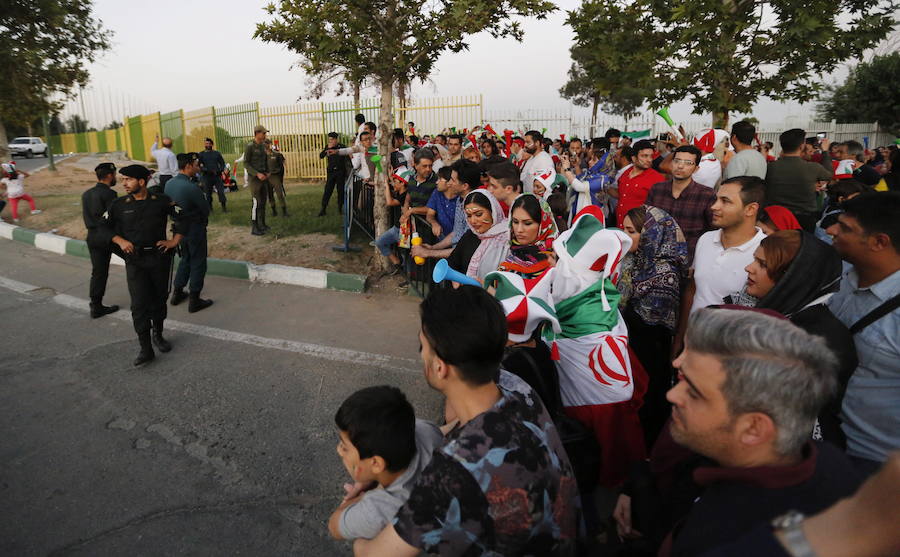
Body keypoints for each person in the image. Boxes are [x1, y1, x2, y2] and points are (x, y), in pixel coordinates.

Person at [354, 286, 578, 556]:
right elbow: (459, 427)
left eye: (422, 346)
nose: (421, 354)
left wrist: (357, 509)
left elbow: (372, 553)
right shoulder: (517, 388)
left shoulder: (454, 470)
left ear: (439, 367)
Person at [645, 308, 862, 557]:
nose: (672, 395)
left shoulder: (732, 538)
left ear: (753, 428)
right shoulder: (822, 462)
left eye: (693, 392)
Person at [549, 208, 647, 487]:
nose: (554, 267)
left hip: (601, 426)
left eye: (559, 261)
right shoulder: (597, 302)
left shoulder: (592, 320)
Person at [735, 230, 856, 447]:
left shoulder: (818, 341)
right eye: (754, 259)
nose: (749, 268)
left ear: (793, 278)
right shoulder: (761, 312)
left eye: (762, 264)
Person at [826, 192, 900, 475]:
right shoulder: (843, 275)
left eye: (845, 228)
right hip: (827, 439)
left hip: (874, 463)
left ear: (879, 242)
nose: (831, 230)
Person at [328, 386, 442, 542]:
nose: (339, 450)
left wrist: (359, 498)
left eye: (345, 447)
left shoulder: (379, 511)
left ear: (376, 464)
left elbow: (334, 526)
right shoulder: (427, 431)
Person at [101, 165, 186, 366]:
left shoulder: (161, 201)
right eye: (122, 180)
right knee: (139, 304)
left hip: (158, 258)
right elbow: (102, 227)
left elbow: (182, 217)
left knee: (159, 299)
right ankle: (145, 348)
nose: (124, 183)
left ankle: (158, 335)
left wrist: (174, 241)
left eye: (128, 179)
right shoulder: (118, 204)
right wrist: (120, 241)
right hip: (135, 261)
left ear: (141, 181)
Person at [619, 205, 689, 447]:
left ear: (651, 235)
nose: (624, 237)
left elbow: (650, 326)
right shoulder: (631, 261)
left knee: (647, 408)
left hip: (648, 356)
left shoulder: (664, 275)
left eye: (631, 232)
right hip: (627, 352)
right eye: (623, 230)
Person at [682, 176, 766, 317]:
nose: (714, 206)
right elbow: (693, 290)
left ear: (751, 209)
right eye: (716, 199)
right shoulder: (706, 239)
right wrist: (680, 335)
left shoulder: (766, 253)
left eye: (725, 201)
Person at [645, 145, 716, 259]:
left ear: (696, 168)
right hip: (657, 257)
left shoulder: (706, 195)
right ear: (671, 163)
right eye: (677, 161)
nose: (680, 166)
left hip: (689, 258)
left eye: (688, 163)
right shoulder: (657, 190)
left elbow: (714, 231)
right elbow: (647, 222)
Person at [165, 153, 213, 314]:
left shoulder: (169, 183)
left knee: (185, 258)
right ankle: (194, 299)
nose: (198, 167)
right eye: (196, 164)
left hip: (178, 228)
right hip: (194, 228)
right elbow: (205, 209)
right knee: (198, 261)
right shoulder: (192, 187)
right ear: (188, 166)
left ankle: (177, 293)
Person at [765, 128, 833, 232]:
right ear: (802, 146)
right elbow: (829, 175)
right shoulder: (813, 168)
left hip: (775, 218)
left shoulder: (770, 167)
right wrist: (825, 152)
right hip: (804, 219)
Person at [81, 162, 120, 318]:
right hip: (108, 237)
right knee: (134, 261)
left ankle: (95, 306)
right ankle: (145, 297)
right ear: (110, 175)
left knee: (98, 273)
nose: (115, 177)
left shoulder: (86, 194)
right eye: (115, 175)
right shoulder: (110, 194)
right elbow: (113, 218)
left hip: (92, 237)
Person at [497, 193, 556, 279]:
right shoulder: (512, 254)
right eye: (515, 222)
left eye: (527, 223)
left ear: (542, 225)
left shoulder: (556, 262)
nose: (519, 230)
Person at [612, 139, 664, 228]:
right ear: (634, 158)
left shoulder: (657, 178)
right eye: (644, 156)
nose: (649, 160)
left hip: (640, 230)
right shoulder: (625, 174)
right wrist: (604, 187)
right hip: (620, 227)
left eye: (651, 156)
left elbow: (660, 209)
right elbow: (621, 195)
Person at [461, 189, 509, 282]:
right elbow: (454, 263)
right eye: (469, 216)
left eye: (479, 214)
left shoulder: (509, 237)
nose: (473, 221)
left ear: (493, 212)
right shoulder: (470, 235)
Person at [374, 168, 412, 276]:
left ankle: (408, 277)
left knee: (406, 255)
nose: (393, 183)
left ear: (402, 183)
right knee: (380, 242)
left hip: (403, 231)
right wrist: (391, 178)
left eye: (396, 182)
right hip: (396, 229)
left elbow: (390, 202)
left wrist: (386, 184)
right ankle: (397, 263)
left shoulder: (405, 196)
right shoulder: (401, 192)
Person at [399, 151, 436, 239]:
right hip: (412, 225)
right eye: (424, 166)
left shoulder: (437, 182)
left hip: (428, 228)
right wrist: (405, 211)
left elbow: (433, 208)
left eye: (430, 166)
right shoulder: (411, 179)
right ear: (415, 165)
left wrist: (411, 211)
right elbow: (408, 196)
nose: (428, 169)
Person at [243, 125, 270, 236]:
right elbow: (246, 163)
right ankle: (255, 227)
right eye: (263, 133)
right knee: (256, 203)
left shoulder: (263, 146)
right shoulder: (250, 146)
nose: (265, 135)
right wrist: (257, 174)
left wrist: (267, 172)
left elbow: (265, 160)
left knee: (263, 201)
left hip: (264, 177)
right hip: (255, 179)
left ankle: (262, 224)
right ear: (257, 133)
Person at [319, 132, 350, 216]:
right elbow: (321, 156)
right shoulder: (327, 147)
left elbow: (348, 159)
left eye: (332, 139)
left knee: (340, 190)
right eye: (329, 139)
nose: (330, 141)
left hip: (340, 171)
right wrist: (326, 150)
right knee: (328, 190)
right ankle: (323, 209)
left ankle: (340, 208)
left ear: (336, 139)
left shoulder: (342, 147)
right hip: (331, 172)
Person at [423, 166, 455, 240]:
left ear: (449, 182)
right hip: (441, 238)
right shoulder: (436, 193)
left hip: (458, 241)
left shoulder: (460, 198)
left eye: (440, 179)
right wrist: (434, 223)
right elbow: (430, 214)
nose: (436, 182)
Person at [197, 137, 227, 212]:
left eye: (209, 144)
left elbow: (222, 163)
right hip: (206, 176)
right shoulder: (201, 154)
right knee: (208, 193)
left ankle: (224, 207)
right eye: (206, 143)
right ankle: (210, 208)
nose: (208, 145)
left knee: (221, 192)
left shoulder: (216, 153)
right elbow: (198, 165)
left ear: (212, 144)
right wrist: (204, 170)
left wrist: (221, 170)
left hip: (217, 175)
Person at [264, 139, 288, 217]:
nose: (266, 145)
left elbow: (282, 164)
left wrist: (281, 177)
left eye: (267, 143)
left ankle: (284, 211)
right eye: (264, 143)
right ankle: (274, 211)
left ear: (270, 144)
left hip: (275, 176)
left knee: (279, 194)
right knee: (270, 195)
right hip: (266, 178)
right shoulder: (262, 156)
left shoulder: (276, 154)